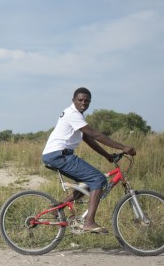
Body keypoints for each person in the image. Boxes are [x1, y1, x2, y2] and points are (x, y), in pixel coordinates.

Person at [41, 87, 136, 233]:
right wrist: (122, 146)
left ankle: (57, 209)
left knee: (87, 182)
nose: (83, 103)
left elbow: (89, 139)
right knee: (98, 180)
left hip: (57, 154)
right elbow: (96, 134)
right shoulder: (73, 114)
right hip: (59, 155)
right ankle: (89, 222)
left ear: (90, 102)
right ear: (73, 100)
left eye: (86, 100)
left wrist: (107, 155)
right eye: (80, 100)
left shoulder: (77, 116)